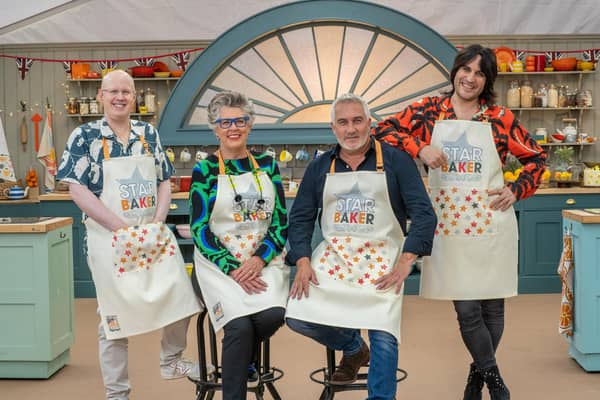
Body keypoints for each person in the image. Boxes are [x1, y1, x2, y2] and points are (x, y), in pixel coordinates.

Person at [372, 44, 547, 400]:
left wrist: (516, 189)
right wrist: (418, 148)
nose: (470, 78)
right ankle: (495, 381)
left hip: (490, 223)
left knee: (492, 307)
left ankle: (477, 376)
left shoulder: (499, 118)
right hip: (448, 226)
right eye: (465, 70)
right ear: (455, 72)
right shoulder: (427, 111)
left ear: (488, 81)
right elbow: (382, 131)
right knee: (467, 308)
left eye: (480, 73)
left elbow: (537, 159)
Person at [56, 70, 202, 400]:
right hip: (108, 238)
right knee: (114, 318)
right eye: (113, 91)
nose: (120, 97)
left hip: (150, 232)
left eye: (127, 91)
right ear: (101, 96)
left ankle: (171, 360)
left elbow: (164, 180)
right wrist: (120, 228)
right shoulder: (85, 136)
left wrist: (158, 220)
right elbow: (77, 190)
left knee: (181, 294)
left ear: (134, 97)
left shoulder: (148, 133)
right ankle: (117, 393)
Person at [285, 93, 437, 400]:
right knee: (297, 316)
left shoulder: (397, 161)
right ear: (333, 128)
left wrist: (407, 258)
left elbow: (424, 213)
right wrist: (302, 259)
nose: (351, 129)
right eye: (343, 122)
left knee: (383, 333)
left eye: (357, 121)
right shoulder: (319, 167)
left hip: (383, 260)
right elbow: (299, 218)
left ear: (370, 123)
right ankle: (354, 348)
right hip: (333, 260)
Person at [190, 91, 289, 400]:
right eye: (226, 122)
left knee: (273, 314)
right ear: (215, 127)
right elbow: (199, 228)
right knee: (240, 328)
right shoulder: (204, 171)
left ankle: (243, 360)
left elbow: (280, 223)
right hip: (218, 266)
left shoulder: (267, 165)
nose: (233, 128)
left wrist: (258, 261)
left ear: (250, 124)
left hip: (263, 261)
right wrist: (233, 267)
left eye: (240, 121)